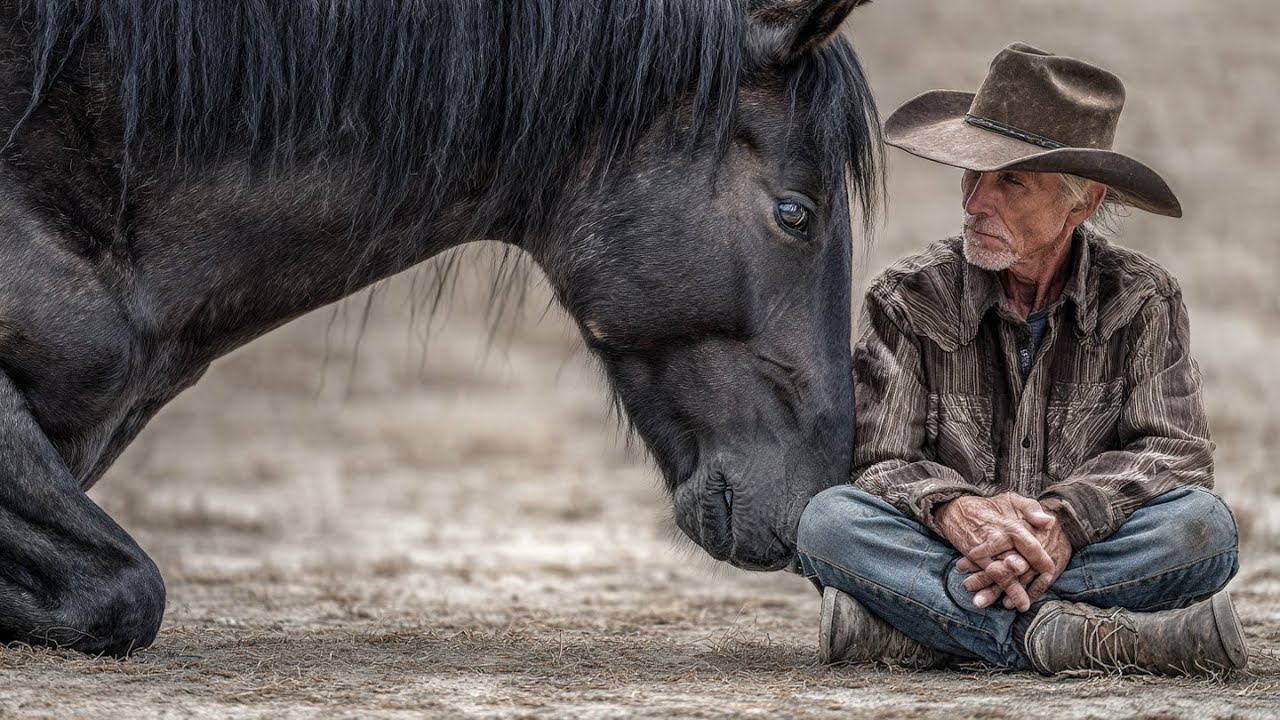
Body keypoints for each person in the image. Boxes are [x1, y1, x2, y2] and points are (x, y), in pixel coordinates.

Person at [796, 43, 1247, 675]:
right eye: (972, 175)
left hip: (1080, 547)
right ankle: (1067, 639)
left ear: (1082, 203)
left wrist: (1065, 522)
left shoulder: (1143, 299)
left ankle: (929, 632)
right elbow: (879, 461)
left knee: (1203, 530)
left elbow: (1175, 453)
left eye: (1010, 180)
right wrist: (961, 514)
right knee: (829, 522)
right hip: (949, 547)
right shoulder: (907, 297)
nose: (975, 201)